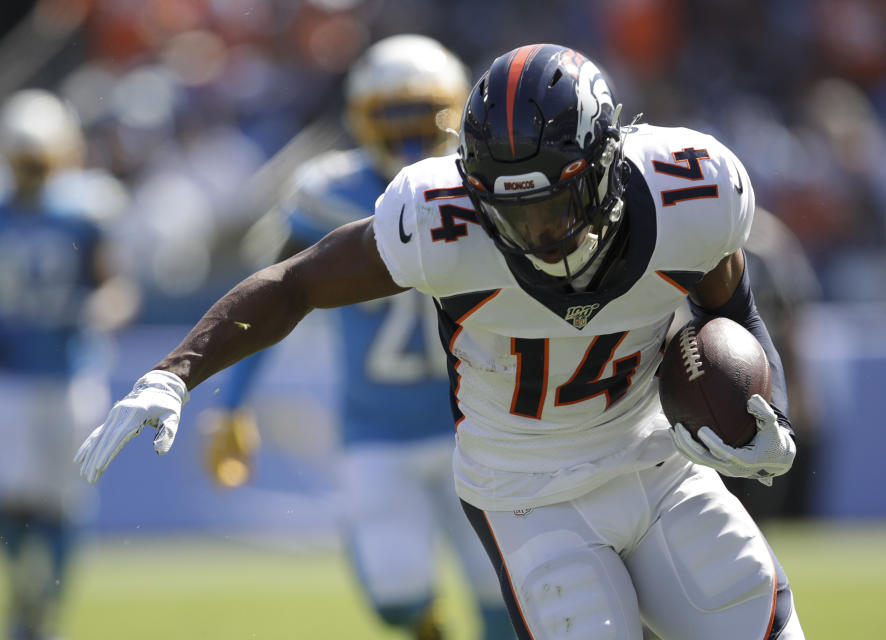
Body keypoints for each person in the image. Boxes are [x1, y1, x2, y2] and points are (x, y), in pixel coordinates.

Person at [75, 44, 804, 639]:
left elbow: (732, 309)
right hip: (525, 491)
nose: (536, 234)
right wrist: (175, 374)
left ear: (606, 167)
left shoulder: (693, 192)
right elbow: (294, 284)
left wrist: (766, 396)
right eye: (510, 210)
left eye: (554, 202)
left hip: (656, 464)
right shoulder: (436, 216)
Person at [202, 34, 515, 640]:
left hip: (481, 427)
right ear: (359, 120)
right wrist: (233, 402)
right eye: (389, 116)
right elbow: (275, 297)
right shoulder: (328, 193)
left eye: (421, 115)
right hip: (377, 434)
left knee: (503, 597)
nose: (405, 134)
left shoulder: (487, 184)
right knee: (398, 598)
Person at [0, 89, 133, 640]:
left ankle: (46, 610)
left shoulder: (85, 211)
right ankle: (27, 594)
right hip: (12, 374)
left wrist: (101, 309)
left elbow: (115, 287)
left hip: (71, 370)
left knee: (61, 499)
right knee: (14, 497)